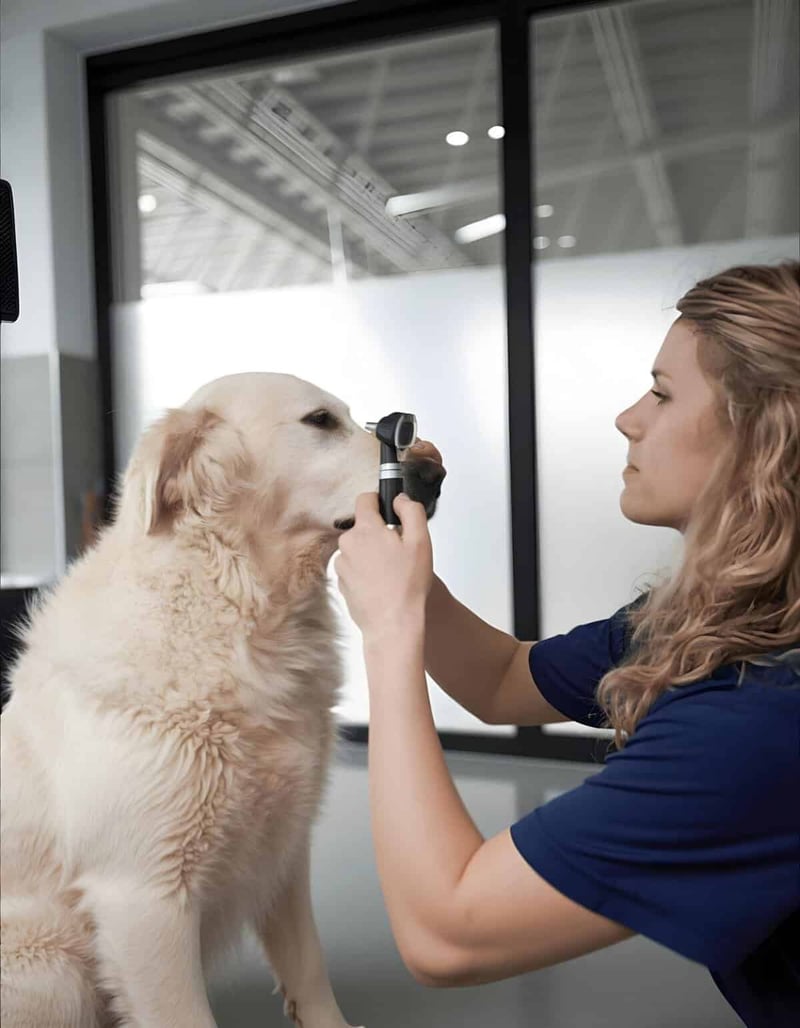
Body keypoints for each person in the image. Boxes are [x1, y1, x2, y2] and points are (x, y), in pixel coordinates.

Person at [333, 260, 800, 1028]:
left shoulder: (763, 714)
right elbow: (502, 681)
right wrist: (406, 568)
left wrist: (389, 631)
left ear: (763, 437)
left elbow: (448, 933)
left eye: (661, 392)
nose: (628, 418)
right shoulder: (718, 614)